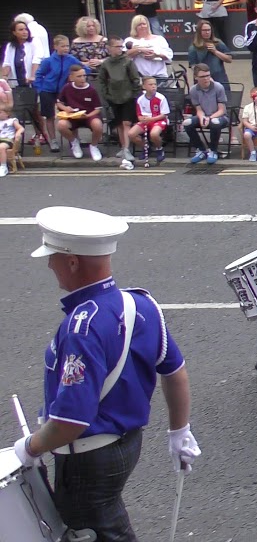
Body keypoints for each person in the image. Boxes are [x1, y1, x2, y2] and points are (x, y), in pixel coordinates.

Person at [12, 206, 199, 542]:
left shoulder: (82, 328)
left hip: (88, 458)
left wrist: (31, 446)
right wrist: (179, 431)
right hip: (127, 444)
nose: (49, 264)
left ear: (72, 262)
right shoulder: (142, 305)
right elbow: (175, 372)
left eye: (52, 257)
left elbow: (72, 421)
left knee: (96, 531)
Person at [96, 36, 141, 161]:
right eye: (117, 46)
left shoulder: (128, 62)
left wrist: (133, 94)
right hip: (113, 98)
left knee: (127, 123)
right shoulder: (106, 64)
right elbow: (102, 81)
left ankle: (127, 149)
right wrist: (106, 95)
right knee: (120, 124)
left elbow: (135, 79)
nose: (120, 49)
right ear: (109, 48)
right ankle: (123, 147)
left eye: (121, 46)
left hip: (128, 97)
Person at [36, 35, 82, 152]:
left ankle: (74, 139)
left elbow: (82, 68)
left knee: (70, 114)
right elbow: (39, 74)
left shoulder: (71, 59)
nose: (66, 48)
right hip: (48, 90)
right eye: (62, 46)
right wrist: (40, 89)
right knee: (50, 115)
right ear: (55, 46)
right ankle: (53, 140)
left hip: (63, 90)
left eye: (67, 46)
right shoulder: (48, 61)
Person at [55, 64, 104, 161]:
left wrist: (87, 116)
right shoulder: (67, 88)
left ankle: (94, 146)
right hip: (72, 117)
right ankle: (74, 142)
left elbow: (97, 109)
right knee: (61, 125)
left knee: (98, 125)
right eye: (79, 76)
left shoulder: (91, 90)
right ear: (71, 77)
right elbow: (59, 103)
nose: (82, 78)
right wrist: (66, 108)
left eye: (84, 76)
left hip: (88, 116)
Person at [183, 63, 228, 165]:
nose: (206, 78)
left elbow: (222, 110)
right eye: (202, 76)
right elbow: (198, 109)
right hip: (204, 115)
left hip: (219, 117)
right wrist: (202, 117)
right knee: (187, 123)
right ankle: (201, 149)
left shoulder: (218, 87)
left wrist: (209, 118)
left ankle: (213, 150)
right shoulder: (193, 90)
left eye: (208, 75)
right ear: (196, 77)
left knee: (215, 123)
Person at [129, 76, 169, 166]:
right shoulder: (140, 99)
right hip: (146, 121)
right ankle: (146, 147)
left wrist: (151, 119)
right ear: (144, 86)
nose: (153, 86)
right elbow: (139, 114)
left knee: (154, 134)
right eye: (150, 84)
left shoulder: (161, 98)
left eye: (155, 84)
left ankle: (159, 148)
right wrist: (141, 119)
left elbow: (164, 114)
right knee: (131, 134)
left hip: (159, 120)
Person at [123, 14, 173, 81]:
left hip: (159, 76)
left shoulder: (159, 39)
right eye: (139, 25)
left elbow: (169, 56)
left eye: (144, 24)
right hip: (139, 77)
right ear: (134, 27)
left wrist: (156, 55)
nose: (142, 26)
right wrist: (140, 50)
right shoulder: (129, 40)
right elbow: (125, 56)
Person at [187, 20, 233, 87]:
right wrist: (205, 77)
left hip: (220, 78)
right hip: (202, 81)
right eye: (204, 30)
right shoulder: (193, 47)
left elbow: (229, 59)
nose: (207, 32)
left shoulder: (218, 43)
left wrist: (215, 51)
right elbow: (193, 66)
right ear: (199, 32)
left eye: (209, 30)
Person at [70, 16, 110, 81]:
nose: (91, 28)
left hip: (101, 74)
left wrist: (100, 61)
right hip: (83, 75)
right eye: (88, 26)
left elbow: (111, 57)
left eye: (93, 26)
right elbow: (72, 60)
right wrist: (84, 64)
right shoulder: (76, 42)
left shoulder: (104, 40)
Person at [0, 103, 23, 176]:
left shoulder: (12, 121)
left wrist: (18, 133)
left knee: (1, 147)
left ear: (7, 113)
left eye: (0, 112)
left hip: (7, 140)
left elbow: (21, 128)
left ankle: (3, 167)